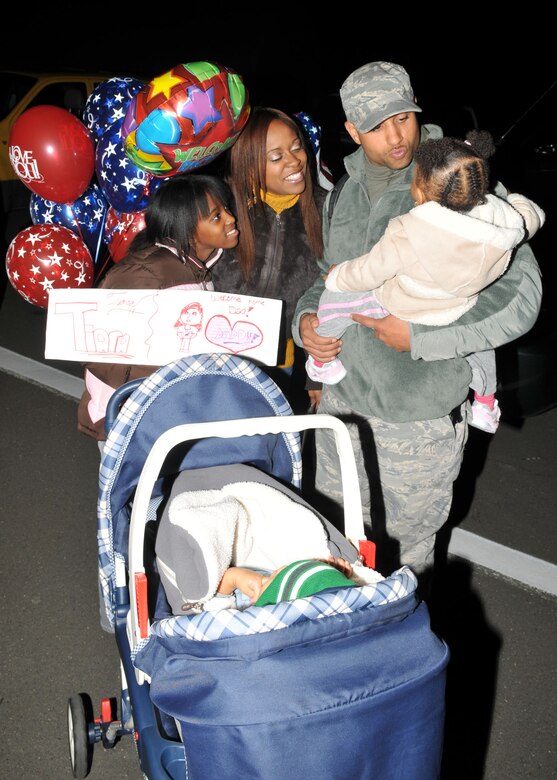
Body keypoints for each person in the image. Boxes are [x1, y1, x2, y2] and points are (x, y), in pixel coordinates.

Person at [292, 61, 542, 591]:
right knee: (332, 549)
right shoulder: (342, 190)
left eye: (403, 117)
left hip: (419, 421)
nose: (396, 134)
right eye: (378, 125)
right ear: (352, 131)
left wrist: (423, 338)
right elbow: (327, 276)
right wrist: (306, 322)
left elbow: (522, 298)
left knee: (407, 567)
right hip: (343, 410)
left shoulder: (456, 178)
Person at [306, 130, 545, 434]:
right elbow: (529, 218)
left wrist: (338, 276)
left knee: (337, 300)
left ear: (420, 190)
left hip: (404, 303)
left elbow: (369, 270)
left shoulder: (409, 228)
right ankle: (485, 403)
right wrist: (516, 201)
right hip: (456, 305)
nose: (394, 134)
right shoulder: (500, 217)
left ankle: (321, 364)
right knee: (483, 350)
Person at [77, 173, 239, 442]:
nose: (231, 219)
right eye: (216, 216)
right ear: (185, 229)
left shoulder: (196, 267)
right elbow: (104, 354)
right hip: (126, 420)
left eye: (226, 209)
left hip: (162, 415)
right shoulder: (145, 276)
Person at [211, 106, 328, 412]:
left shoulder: (327, 212)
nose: (294, 161)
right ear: (250, 167)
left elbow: (332, 296)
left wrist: (315, 376)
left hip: (284, 366)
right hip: (218, 360)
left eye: (296, 147)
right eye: (276, 157)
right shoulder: (221, 211)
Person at [208, 556, 357, 611]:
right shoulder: (270, 592)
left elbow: (212, 601)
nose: (279, 570)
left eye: (276, 575)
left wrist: (233, 577)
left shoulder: (247, 607)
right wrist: (335, 576)